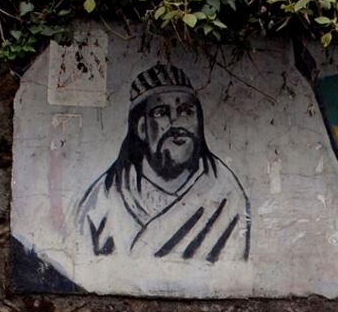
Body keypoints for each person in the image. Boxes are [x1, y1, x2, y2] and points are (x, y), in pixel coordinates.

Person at [73, 63, 250, 262]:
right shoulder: (105, 197)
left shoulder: (226, 194)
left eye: (186, 111)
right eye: (161, 112)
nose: (176, 122)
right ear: (141, 127)